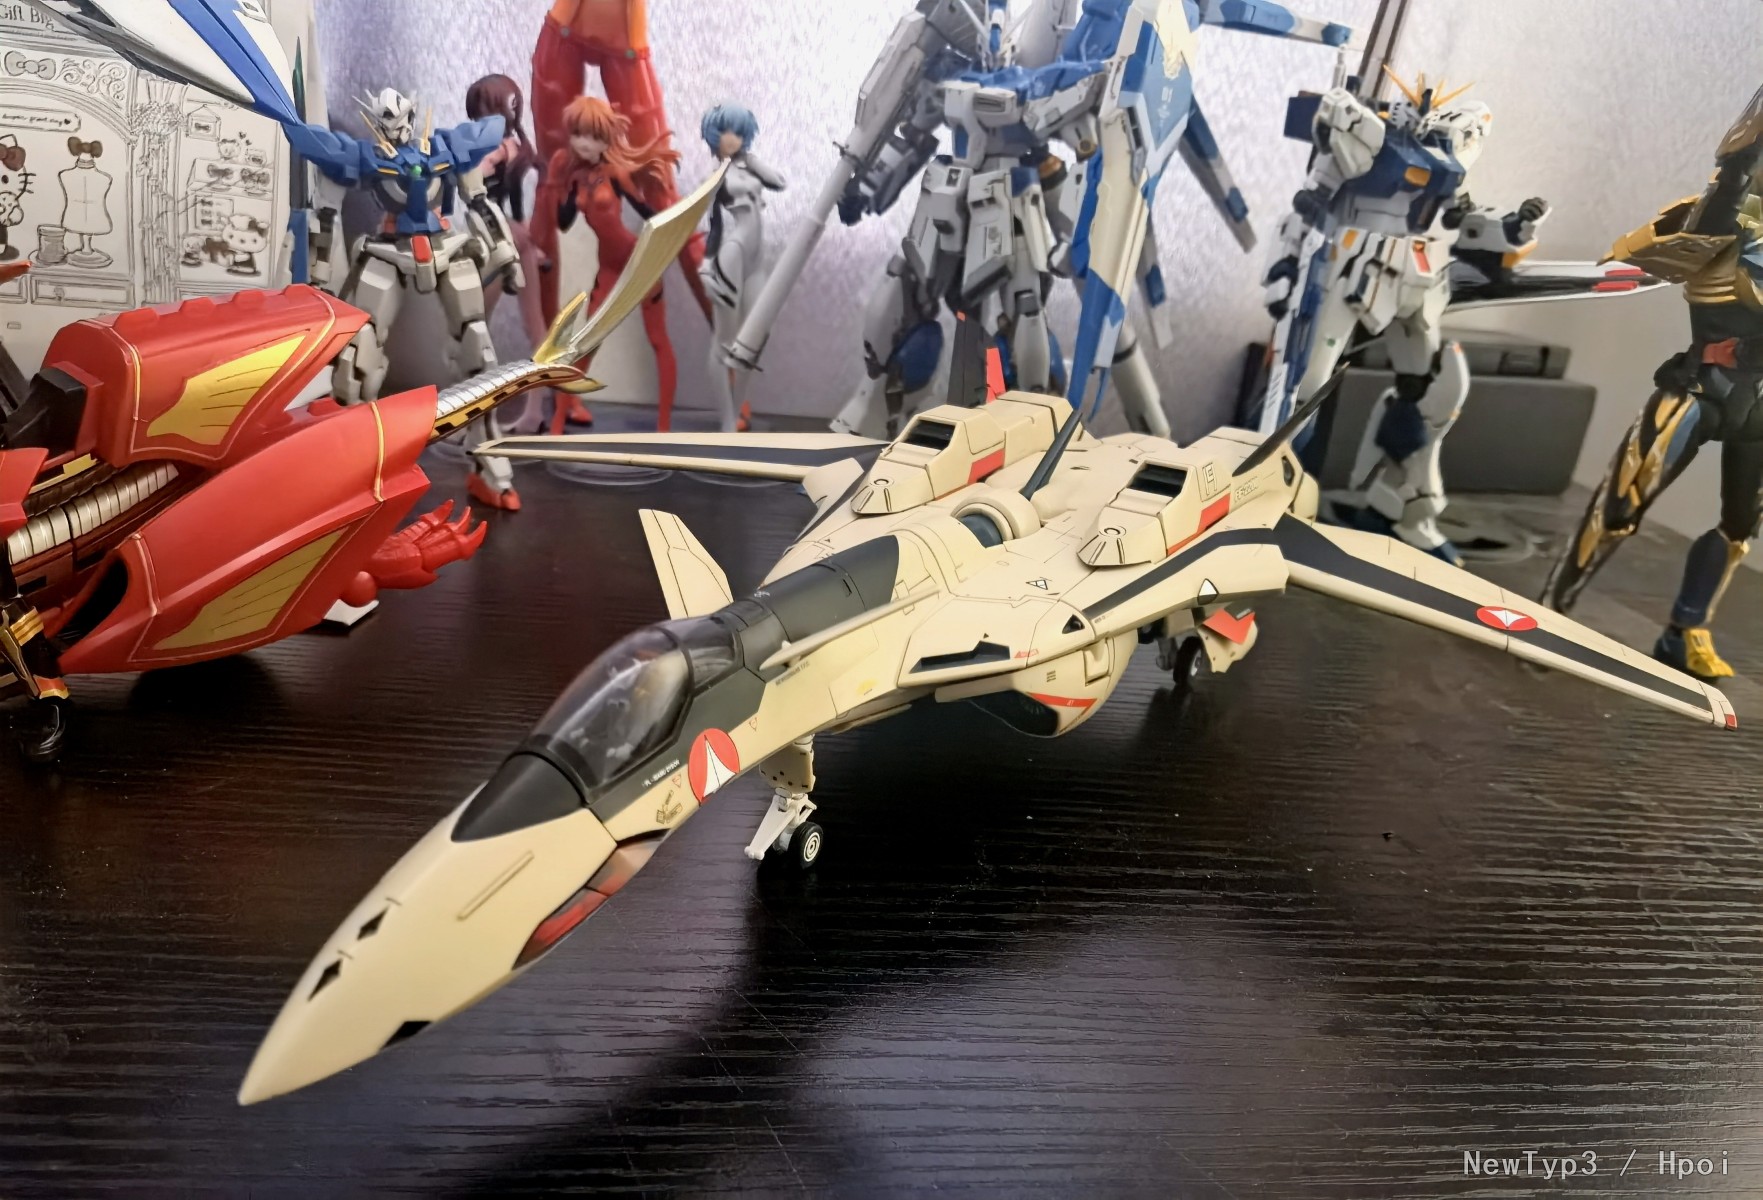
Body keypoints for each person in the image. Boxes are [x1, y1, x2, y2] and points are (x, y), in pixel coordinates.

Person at [535, 96, 709, 432]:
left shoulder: (614, 173)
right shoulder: (576, 178)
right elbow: (563, 222)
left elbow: (647, 213)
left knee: (657, 339)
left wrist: (679, 227)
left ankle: (663, 427)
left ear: (607, 140)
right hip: (609, 269)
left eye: (594, 136)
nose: (585, 144)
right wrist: (556, 183)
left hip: (639, 265)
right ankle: (557, 424)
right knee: (586, 342)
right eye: (578, 134)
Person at [699, 102, 783, 432]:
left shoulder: (749, 166)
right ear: (713, 134)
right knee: (724, 340)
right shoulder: (716, 176)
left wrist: (752, 159)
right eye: (725, 131)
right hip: (731, 253)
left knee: (754, 338)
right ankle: (726, 421)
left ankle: (737, 411)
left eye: (738, 132)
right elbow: (714, 223)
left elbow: (779, 182)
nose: (732, 138)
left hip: (756, 259)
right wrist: (707, 264)